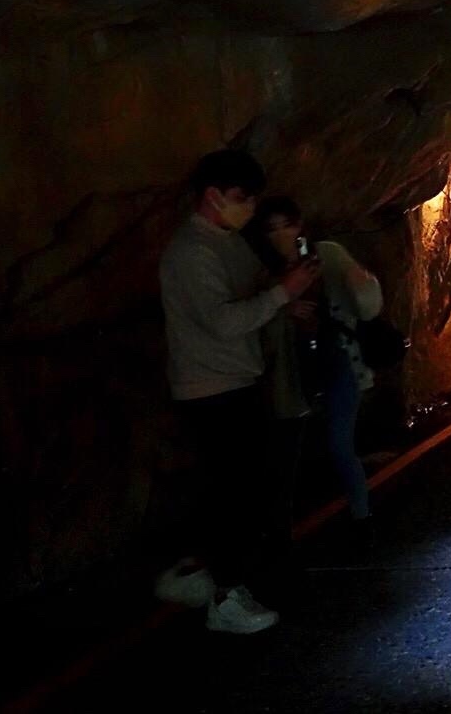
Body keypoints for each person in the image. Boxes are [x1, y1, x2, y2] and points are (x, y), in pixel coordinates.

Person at [155, 150, 319, 634]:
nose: (248, 206)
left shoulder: (227, 242)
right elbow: (225, 320)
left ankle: (192, 576)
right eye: (240, 198)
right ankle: (225, 597)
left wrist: (281, 303)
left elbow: (252, 295)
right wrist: (281, 295)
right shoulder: (190, 251)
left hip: (237, 380)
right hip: (210, 387)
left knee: (229, 488)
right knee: (237, 494)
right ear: (212, 196)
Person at [246, 197, 383, 541]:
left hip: (336, 360)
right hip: (289, 371)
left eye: (287, 225)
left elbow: (366, 304)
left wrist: (360, 283)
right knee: (285, 457)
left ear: (301, 226)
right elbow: (255, 328)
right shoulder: (262, 273)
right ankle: (282, 533)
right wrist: (284, 308)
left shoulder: (327, 256)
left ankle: (362, 517)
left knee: (339, 445)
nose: (282, 235)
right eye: (272, 228)